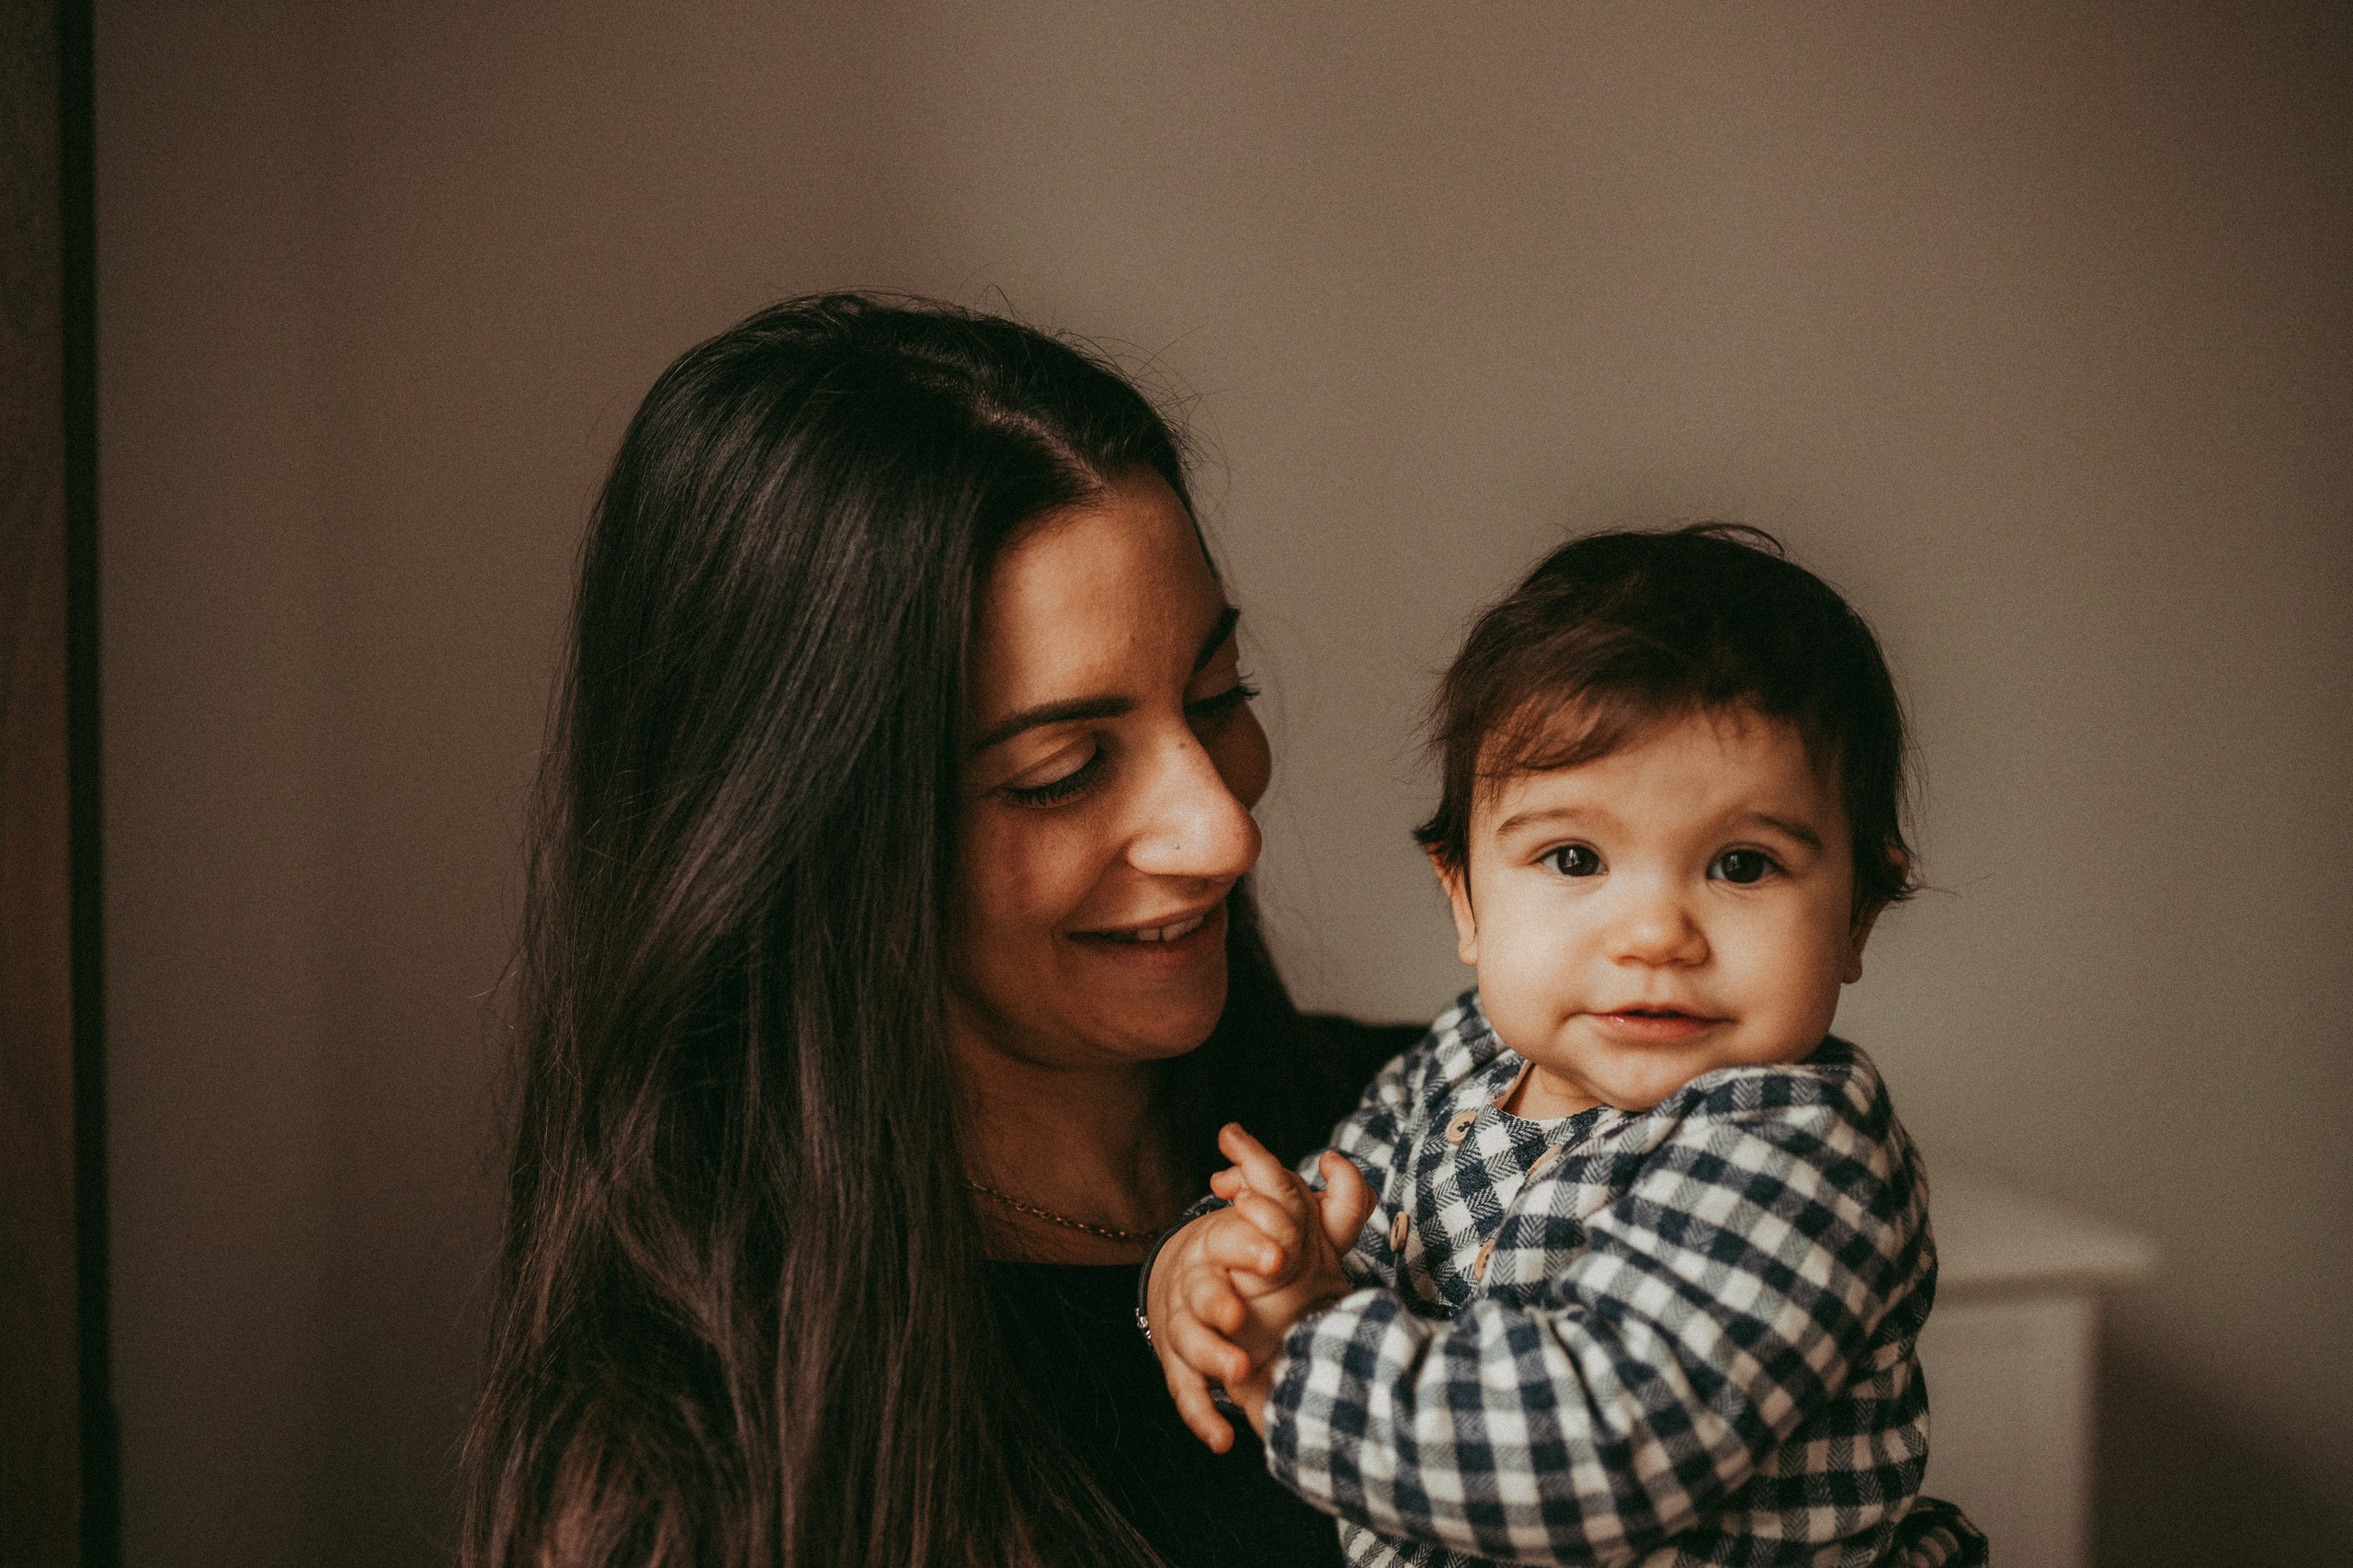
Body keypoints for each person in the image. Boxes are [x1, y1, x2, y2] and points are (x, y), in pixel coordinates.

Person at [460, 293, 1409, 1568]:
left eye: (1217, 694)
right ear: (817, 833)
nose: (1221, 831)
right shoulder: (703, 1471)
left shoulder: (1472, 1138)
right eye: (1064, 768)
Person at [1145, 528, 1989, 1566]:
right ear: (1462, 896)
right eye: (1575, 856)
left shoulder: (1798, 1152)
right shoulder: (1457, 1063)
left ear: (1858, 910)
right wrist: (1216, 1262)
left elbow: (1602, 1449)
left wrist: (1295, 1352)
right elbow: (1333, 1218)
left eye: (1741, 863)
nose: (1653, 935)